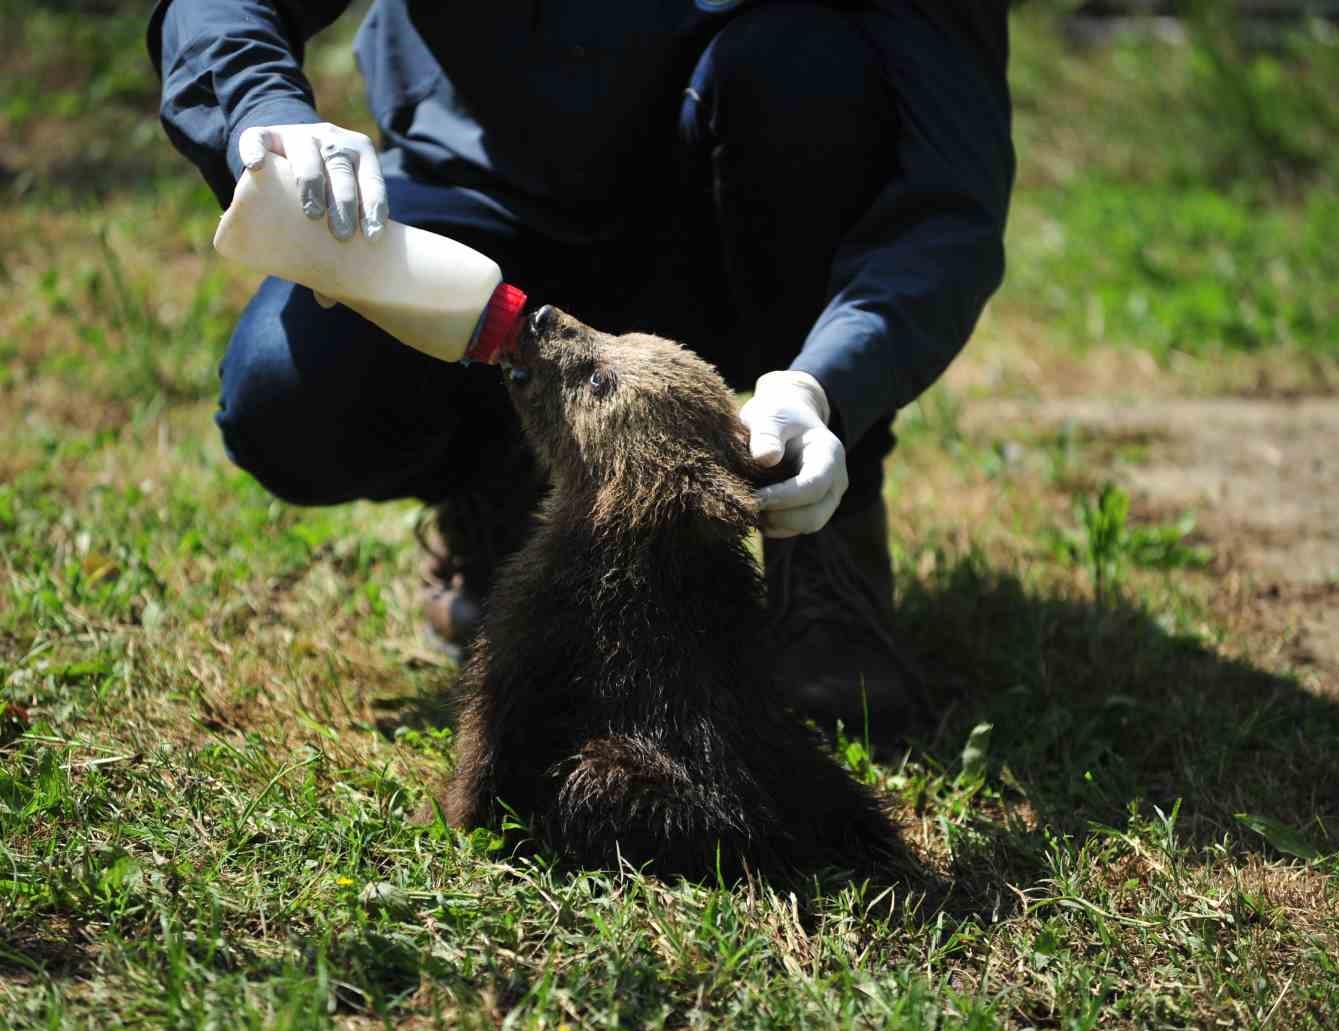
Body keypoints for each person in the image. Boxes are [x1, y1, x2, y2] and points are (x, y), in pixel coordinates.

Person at [147, 0, 1014, 732]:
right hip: (482, 194)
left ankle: (819, 532)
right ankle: (509, 489)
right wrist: (264, 111)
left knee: (806, 66)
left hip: (737, 225)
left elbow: (947, 202)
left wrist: (827, 382)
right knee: (291, 391)